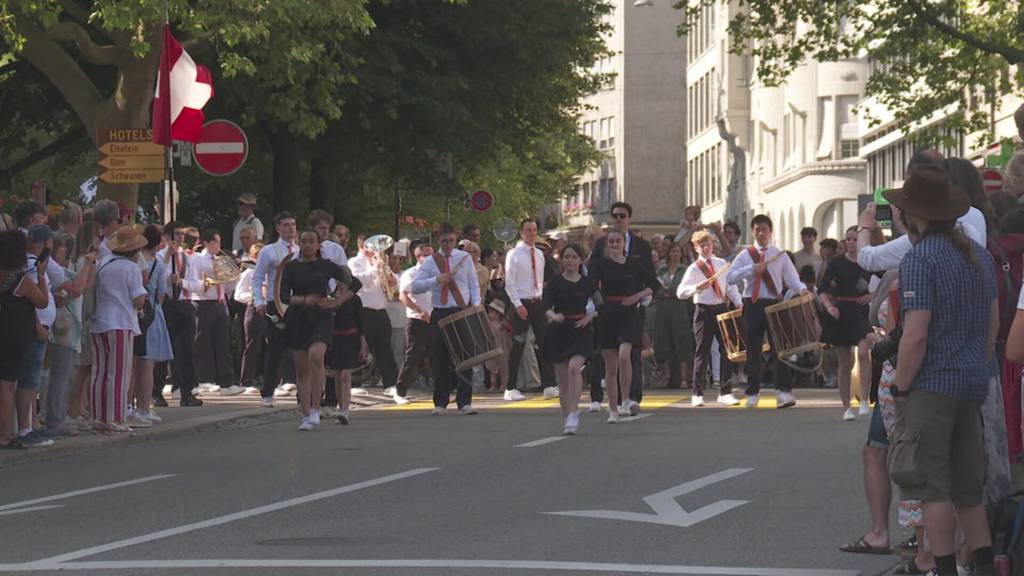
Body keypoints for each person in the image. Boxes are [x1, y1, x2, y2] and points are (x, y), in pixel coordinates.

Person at [883, 163, 999, 576]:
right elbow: (992, 325)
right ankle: (984, 567)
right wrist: (979, 365)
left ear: (914, 215)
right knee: (969, 490)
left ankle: (944, 569)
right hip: (971, 383)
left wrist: (900, 387)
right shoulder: (980, 256)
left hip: (932, 386)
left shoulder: (920, 259)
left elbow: (915, 335)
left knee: (933, 488)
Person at [278, 229, 357, 431]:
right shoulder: (291, 267)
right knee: (302, 368)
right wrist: (304, 300)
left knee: (316, 355)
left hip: (321, 315)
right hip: (298, 317)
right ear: (299, 244)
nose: (307, 245)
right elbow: (284, 296)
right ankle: (306, 414)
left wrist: (337, 301)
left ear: (318, 245)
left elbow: (354, 283)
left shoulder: (326, 265)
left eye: (311, 242)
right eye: (303, 242)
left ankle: (316, 407)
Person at [726, 214, 805, 409]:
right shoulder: (744, 255)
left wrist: (801, 289)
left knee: (780, 349)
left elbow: (792, 278)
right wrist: (751, 269)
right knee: (753, 349)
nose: (761, 233)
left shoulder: (780, 254)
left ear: (771, 232)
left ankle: (784, 392)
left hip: (774, 304)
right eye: (757, 229)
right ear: (752, 232)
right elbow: (730, 278)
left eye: (764, 229)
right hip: (752, 304)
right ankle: (753, 392)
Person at [589, 229, 660, 423]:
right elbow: (591, 287)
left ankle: (627, 399)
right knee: (610, 366)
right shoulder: (599, 265)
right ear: (606, 245)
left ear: (623, 243)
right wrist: (599, 306)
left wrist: (637, 296)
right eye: (610, 241)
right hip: (608, 314)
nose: (614, 244)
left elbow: (654, 284)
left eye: (617, 241)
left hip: (629, 314)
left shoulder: (633, 264)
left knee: (624, 356)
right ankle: (613, 409)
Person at [411, 222, 482, 415]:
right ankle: (440, 402)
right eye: (444, 241)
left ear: (456, 239)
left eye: (451, 241)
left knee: (464, 357)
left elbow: (473, 285)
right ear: (438, 240)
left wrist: (475, 305)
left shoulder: (465, 258)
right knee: (439, 357)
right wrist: (436, 280)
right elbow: (415, 286)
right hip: (440, 311)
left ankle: (464, 401)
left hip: (460, 310)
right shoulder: (431, 261)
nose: (448, 244)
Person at [91, 226, 148, 434]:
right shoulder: (130, 268)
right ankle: (115, 417)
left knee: (100, 372)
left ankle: (99, 416)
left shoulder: (104, 263)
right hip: (121, 322)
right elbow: (138, 299)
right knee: (119, 374)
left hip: (99, 321)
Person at [677, 230, 743, 406]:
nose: (706, 247)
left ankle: (725, 391)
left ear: (713, 245)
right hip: (703, 310)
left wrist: (738, 303)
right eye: (702, 245)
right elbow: (680, 293)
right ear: (696, 248)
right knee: (702, 351)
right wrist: (697, 287)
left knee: (726, 350)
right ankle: (697, 393)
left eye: (708, 244)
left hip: (721, 308)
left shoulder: (721, 264)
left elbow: (731, 287)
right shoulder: (693, 268)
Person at [43, 231, 96, 437]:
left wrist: (90, 263)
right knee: (60, 376)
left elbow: (87, 283)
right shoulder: (56, 274)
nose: (66, 249)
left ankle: (58, 416)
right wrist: (85, 265)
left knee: (65, 376)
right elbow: (77, 289)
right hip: (62, 330)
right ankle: (54, 420)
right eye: (63, 246)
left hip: (71, 331)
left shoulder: (64, 271)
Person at [818, 226, 874, 421]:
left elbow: (889, 279)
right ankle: (846, 406)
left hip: (861, 312)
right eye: (848, 239)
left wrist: (873, 295)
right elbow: (823, 289)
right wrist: (829, 307)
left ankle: (865, 400)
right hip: (842, 311)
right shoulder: (837, 263)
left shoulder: (869, 261)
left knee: (865, 352)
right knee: (845, 362)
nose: (851, 242)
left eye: (855, 239)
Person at [0, 230, 50, 448]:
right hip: (15, 336)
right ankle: (4, 433)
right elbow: (42, 302)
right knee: (7, 385)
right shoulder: (20, 279)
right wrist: (41, 275)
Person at [542, 244, 596, 435]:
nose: (570, 260)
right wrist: (553, 316)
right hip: (559, 331)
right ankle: (568, 418)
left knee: (575, 368)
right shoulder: (555, 282)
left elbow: (600, 304)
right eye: (566, 257)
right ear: (562, 260)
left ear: (581, 260)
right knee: (563, 380)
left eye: (574, 257)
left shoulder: (588, 282)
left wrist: (590, 317)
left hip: (580, 330)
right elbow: (546, 305)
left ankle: (574, 412)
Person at [251, 212, 300, 407]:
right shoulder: (269, 251)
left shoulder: (299, 250)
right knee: (275, 348)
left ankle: (300, 389)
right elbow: (257, 277)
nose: (291, 229)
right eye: (287, 225)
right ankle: (268, 392)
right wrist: (258, 301)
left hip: (295, 303)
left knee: (299, 347)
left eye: (294, 224)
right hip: (275, 303)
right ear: (278, 228)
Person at [185, 228, 241, 396]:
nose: (219, 245)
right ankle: (205, 379)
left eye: (219, 242)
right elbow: (194, 279)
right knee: (203, 343)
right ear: (207, 243)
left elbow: (230, 284)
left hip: (220, 302)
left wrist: (233, 274)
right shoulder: (197, 260)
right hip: (203, 302)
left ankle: (227, 382)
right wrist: (211, 278)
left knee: (223, 343)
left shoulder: (220, 259)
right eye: (215, 242)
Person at [504, 218, 554, 400]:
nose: (532, 233)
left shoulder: (539, 254)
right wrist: (517, 305)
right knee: (518, 344)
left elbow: (540, 281)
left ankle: (549, 384)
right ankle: (511, 387)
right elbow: (509, 283)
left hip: (537, 301)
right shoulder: (514, 254)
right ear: (521, 232)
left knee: (545, 342)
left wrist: (543, 302)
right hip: (521, 302)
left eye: (534, 230)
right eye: (528, 230)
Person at [132, 225, 173, 425]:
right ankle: (144, 407)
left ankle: (128, 406)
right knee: (147, 366)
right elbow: (162, 293)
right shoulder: (158, 265)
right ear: (157, 244)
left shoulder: (134, 260)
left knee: (132, 365)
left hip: (133, 313)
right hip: (152, 314)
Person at [348, 236, 399, 392]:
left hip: (380, 309)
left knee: (385, 348)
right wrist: (376, 268)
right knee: (359, 347)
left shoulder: (379, 262)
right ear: (363, 246)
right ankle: (353, 383)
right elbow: (358, 281)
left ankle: (390, 383)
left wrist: (390, 276)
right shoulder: (354, 262)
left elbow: (393, 283)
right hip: (363, 309)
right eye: (374, 246)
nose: (377, 250)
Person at [159, 222, 202, 407]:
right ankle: (157, 392)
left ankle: (187, 392)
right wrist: (167, 278)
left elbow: (196, 284)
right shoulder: (160, 257)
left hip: (184, 304)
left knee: (188, 350)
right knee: (163, 351)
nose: (180, 238)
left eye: (182, 235)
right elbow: (154, 278)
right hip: (167, 305)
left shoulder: (186, 258)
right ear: (167, 237)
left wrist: (182, 282)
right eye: (176, 234)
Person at [394, 243, 434, 404]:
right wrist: (420, 311)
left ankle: (441, 390)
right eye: (427, 254)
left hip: (434, 318)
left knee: (437, 355)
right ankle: (400, 391)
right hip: (417, 320)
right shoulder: (411, 273)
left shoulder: (436, 273)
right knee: (413, 356)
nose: (431, 257)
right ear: (419, 257)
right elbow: (403, 296)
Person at [654, 242, 693, 390]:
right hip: (663, 307)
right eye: (673, 251)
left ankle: (684, 378)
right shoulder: (662, 270)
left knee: (682, 341)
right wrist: (663, 291)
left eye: (678, 251)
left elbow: (681, 289)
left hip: (679, 307)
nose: (675, 254)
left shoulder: (685, 270)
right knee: (662, 341)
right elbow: (656, 288)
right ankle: (667, 376)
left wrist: (668, 289)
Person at [234, 242, 264, 394]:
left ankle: (273, 379)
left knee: (273, 345)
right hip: (253, 309)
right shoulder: (248, 273)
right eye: (258, 255)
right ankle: (246, 380)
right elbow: (238, 295)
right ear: (252, 257)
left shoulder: (270, 272)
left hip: (268, 309)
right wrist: (253, 296)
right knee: (252, 346)